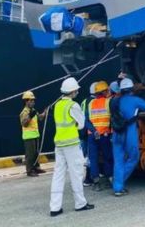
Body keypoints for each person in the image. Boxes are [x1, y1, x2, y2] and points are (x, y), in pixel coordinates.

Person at [49, 77, 95, 217]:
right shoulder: (73, 105)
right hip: (72, 144)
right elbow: (81, 124)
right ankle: (80, 203)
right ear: (73, 91)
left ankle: (55, 207)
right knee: (76, 173)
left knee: (58, 175)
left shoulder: (57, 105)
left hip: (59, 144)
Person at [84, 81, 113, 191]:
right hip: (104, 135)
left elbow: (86, 120)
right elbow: (112, 119)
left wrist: (93, 130)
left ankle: (96, 182)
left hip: (92, 136)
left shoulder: (90, 104)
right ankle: (109, 178)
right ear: (104, 91)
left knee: (93, 158)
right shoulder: (108, 102)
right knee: (107, 157)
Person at [20, 91, 47, 177]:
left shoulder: (34, 110)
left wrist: (45, 112)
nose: (33, 102)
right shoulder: (24, 112)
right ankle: (29, 170)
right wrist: (29, 116)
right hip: (29, 137)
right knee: (30, 154)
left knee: (36, 153)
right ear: (26, 101)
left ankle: (36, 168)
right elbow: (24, 123)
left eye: (33, 101)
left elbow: (40, 118)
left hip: (35, 135)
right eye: (31, 101)